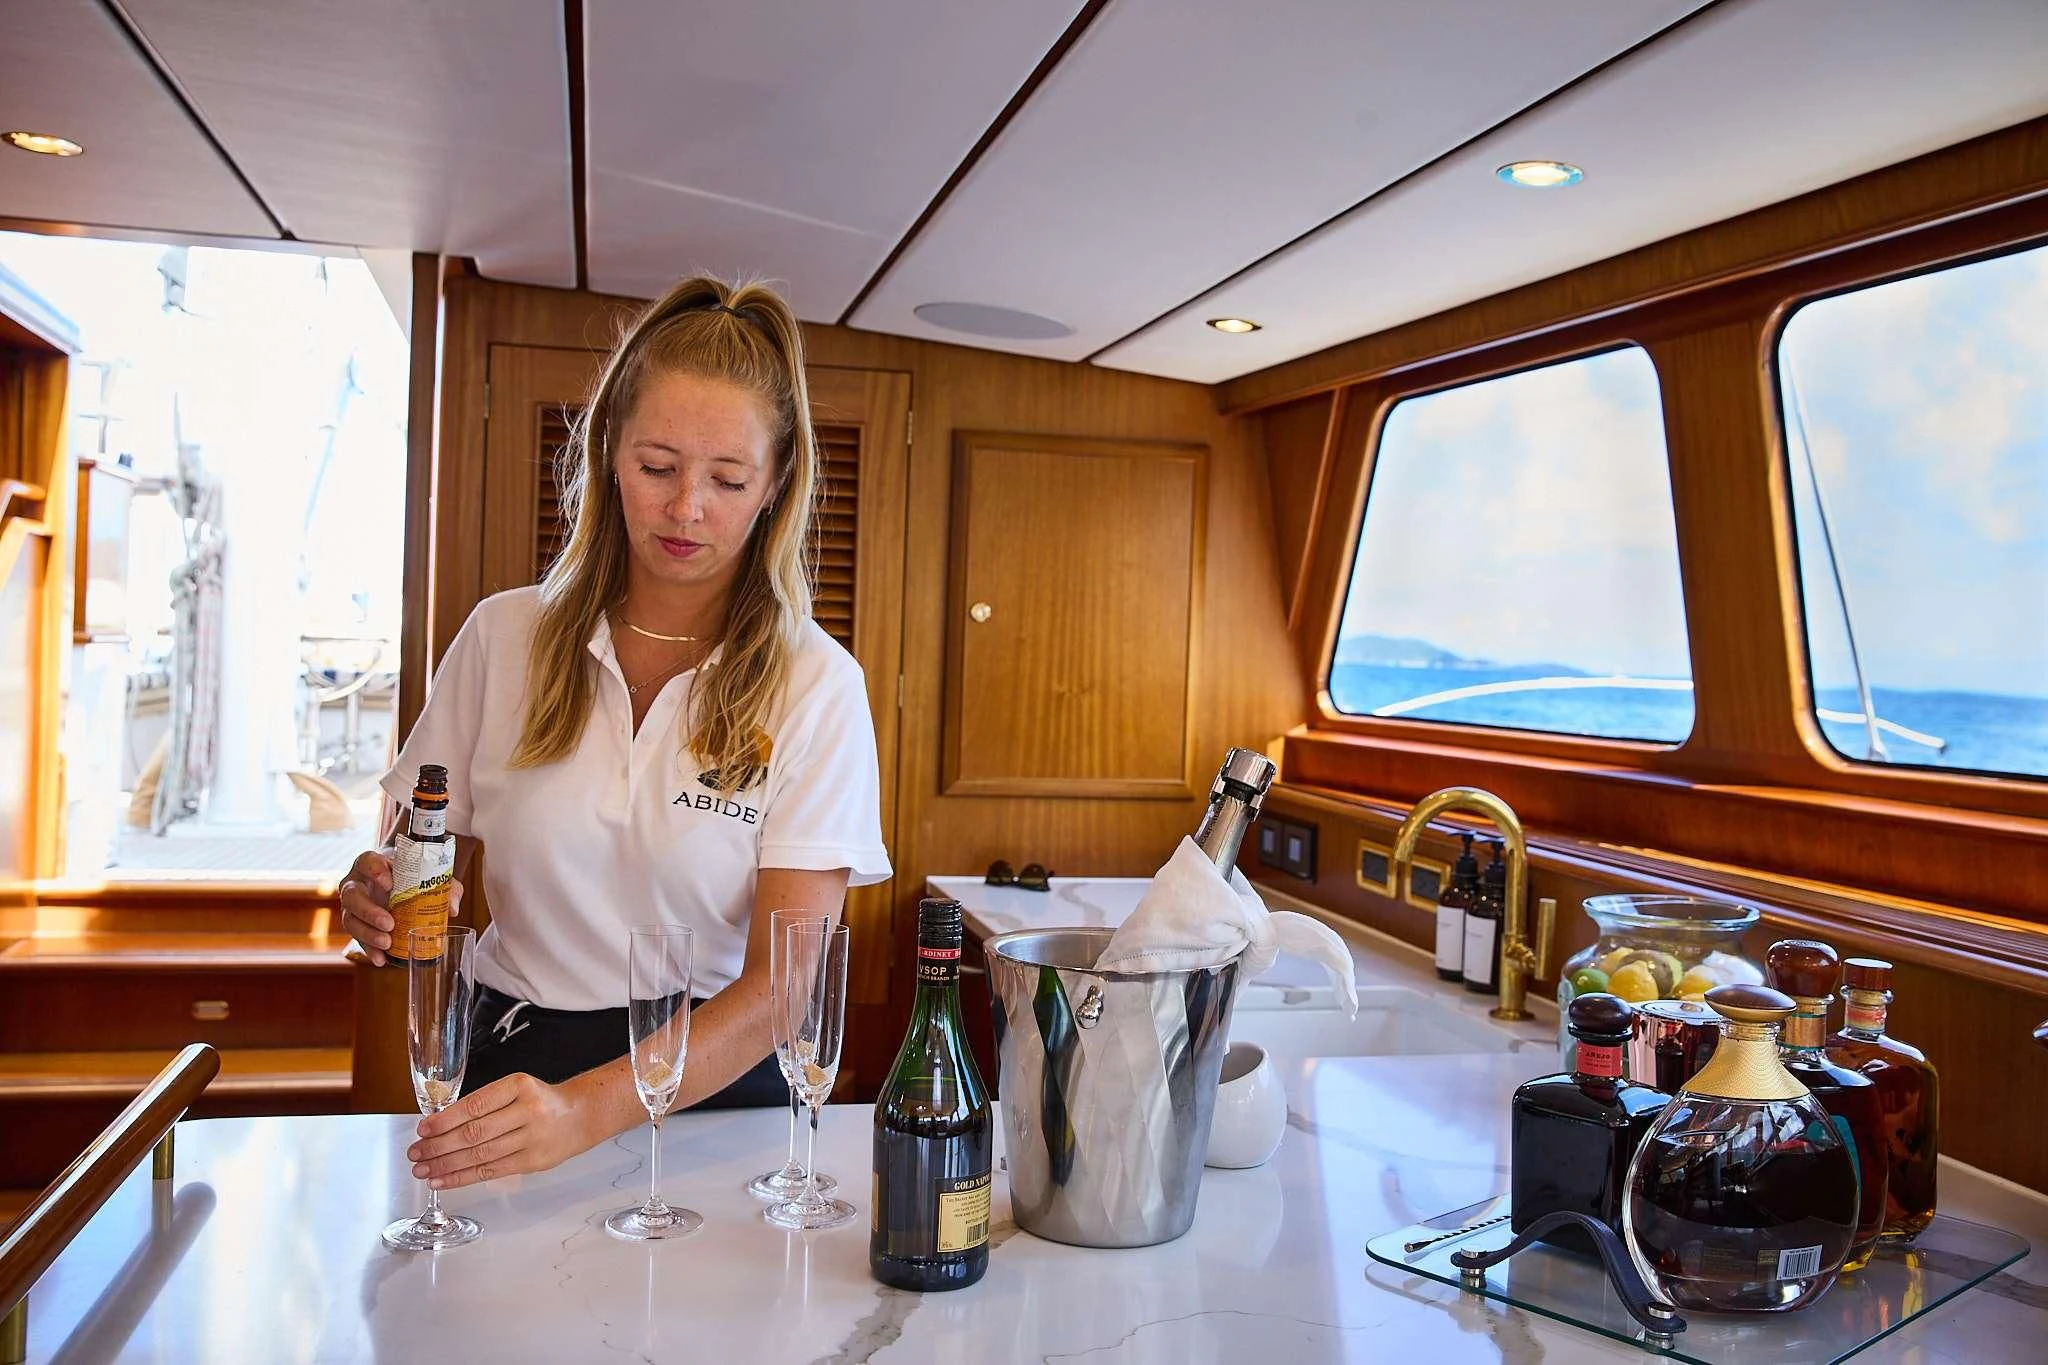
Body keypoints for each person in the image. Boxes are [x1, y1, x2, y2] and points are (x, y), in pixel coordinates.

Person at [337, 275, 890, 1192]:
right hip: (510, 1072)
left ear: (776, 484)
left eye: (728, 479)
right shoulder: (502, 637)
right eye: (658, 466)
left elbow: (782, 986)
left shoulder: (817, 684)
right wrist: (377, 897)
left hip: (715, 1088)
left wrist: (587, 1110)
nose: (686, 508)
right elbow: (414, 865)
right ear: (607, 453)